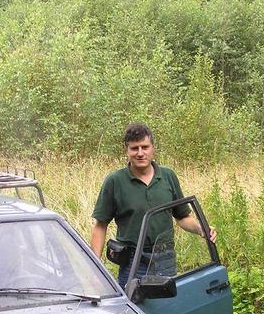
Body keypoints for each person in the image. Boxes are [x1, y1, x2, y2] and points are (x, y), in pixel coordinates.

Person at [91, 123, 217, 289]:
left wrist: (202, 229)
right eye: (134, 148)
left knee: (168, 310)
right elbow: (100, 225)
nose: (140, 153)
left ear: (153, 148)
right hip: (133, 262)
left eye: (145, 147)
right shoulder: (115, 181)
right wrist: (94, 269)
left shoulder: (168, 176)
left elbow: (182, 217)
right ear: (126, 150)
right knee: (133, 312)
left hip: (166, 259)